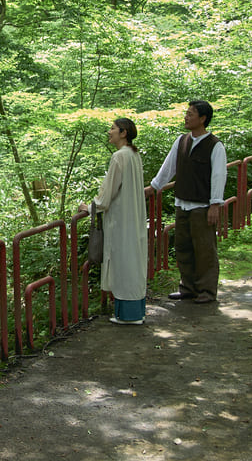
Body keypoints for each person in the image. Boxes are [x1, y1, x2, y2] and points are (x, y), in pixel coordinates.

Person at [149, 100, 226, 304]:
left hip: (202, 205)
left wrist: (215, 204)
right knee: (183, 246)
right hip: (182, 202)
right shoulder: (182, 141)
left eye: (191, 114)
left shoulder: (215, 146)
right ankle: (187, 287)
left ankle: (207, 291)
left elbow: (219, 176)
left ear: (202, 119)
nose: (186, 117)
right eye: (187, 113)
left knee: (204, 249)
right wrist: (155, 186)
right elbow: (169, 167)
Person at [86, 117, 148, 325]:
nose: (109, 131)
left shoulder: (119, 157)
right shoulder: (133, 154)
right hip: (133, 216)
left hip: (121, 220)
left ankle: (127, 316)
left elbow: (108, 193)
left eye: (113, 128)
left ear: (124, 133)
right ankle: (135, 312)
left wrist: (90, 207)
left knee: (123, 264)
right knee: (133, 261)